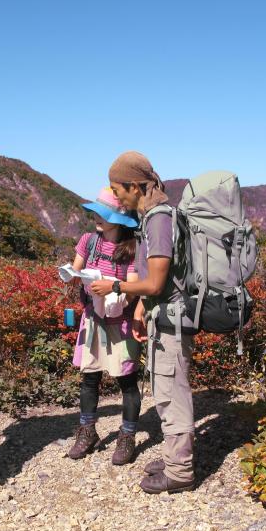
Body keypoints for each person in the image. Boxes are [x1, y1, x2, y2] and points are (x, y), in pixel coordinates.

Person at [90, 151, 195, 494]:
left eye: (118, 190)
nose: (117, 198)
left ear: (135, 186)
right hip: (160, 317)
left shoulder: (158, 220)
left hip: (172, 322)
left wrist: (115, 286)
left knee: (172, 393)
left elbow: (154, 284)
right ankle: (172, 457)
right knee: (164, 390)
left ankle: (180, 473)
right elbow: (154, 280)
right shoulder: (153, 215)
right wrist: (139, 312)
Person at [65, 188, 143, 465]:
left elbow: (134, 287)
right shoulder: (88, 241)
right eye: (96, 212)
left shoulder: (132, 248)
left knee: (127, 380)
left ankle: (127, 436)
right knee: (89, 377)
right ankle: (87, 432)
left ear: (120, 218)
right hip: (92, 318)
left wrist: (113, 290)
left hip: (120, 320)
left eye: (104, 213)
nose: (97, 217)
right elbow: (76, 273)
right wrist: (72, 276)